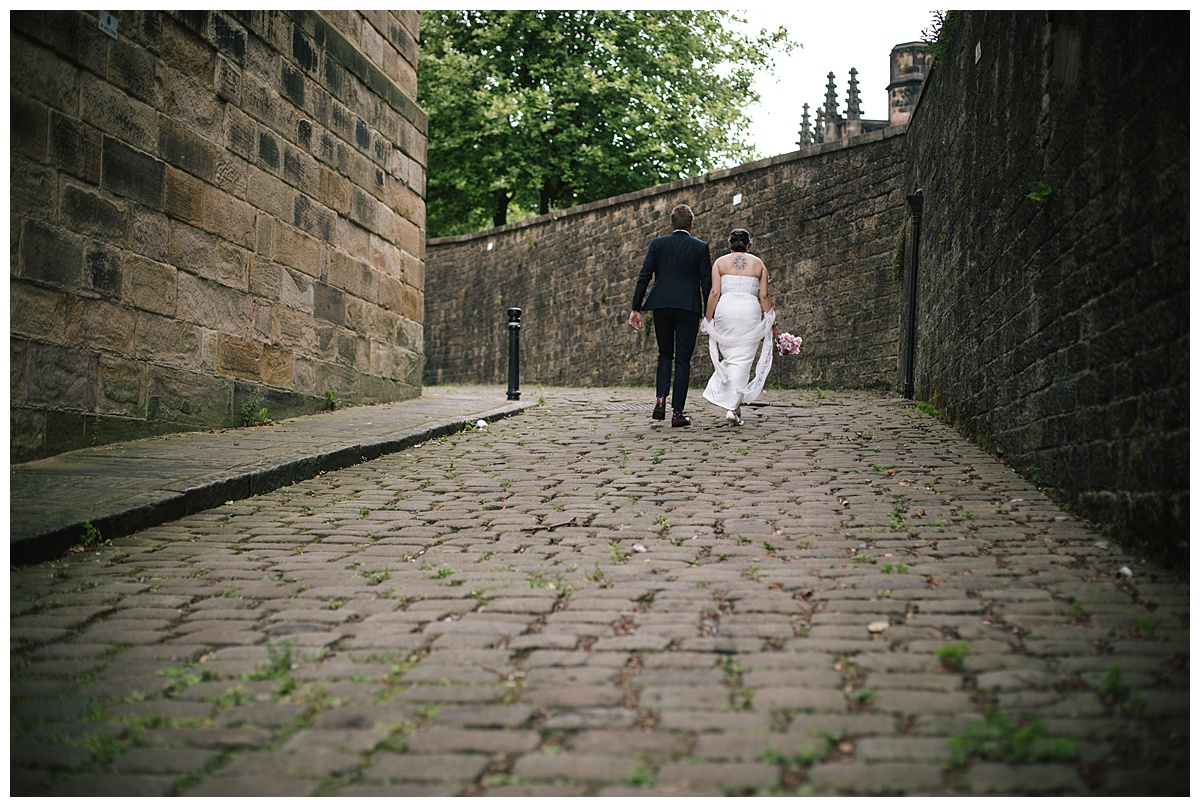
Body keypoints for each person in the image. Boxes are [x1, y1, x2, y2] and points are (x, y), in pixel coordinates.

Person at [628, 203, 712, 427]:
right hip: (688, 307)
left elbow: (644, 276)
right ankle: (677, 413)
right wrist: (709, 314)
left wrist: (636, 308)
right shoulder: (700, 247)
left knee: (665, 353)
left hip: (662, 305)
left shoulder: (657, 244)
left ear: (671, 223)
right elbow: (707, 284)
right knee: (683, 360)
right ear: (692, 224)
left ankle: (660, 398)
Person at [700, 228, 780, 425]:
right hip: (749, 311)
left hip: (725, 309)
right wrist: (772, 322)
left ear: (730, 244)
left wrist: (708, 318)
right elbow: (764, 295)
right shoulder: (758, 264)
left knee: (731, 357)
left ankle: (733, 406)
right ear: (748, 244)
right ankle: (732, 407)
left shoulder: (720, 263)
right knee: (743, 359)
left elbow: (714, 293)